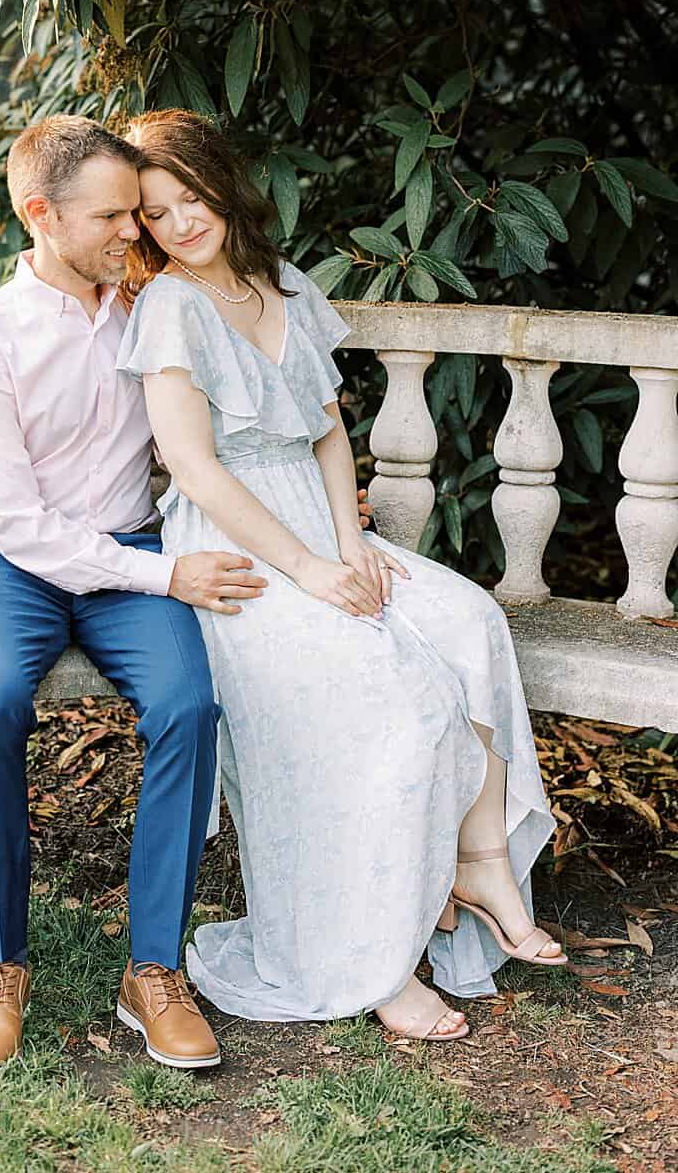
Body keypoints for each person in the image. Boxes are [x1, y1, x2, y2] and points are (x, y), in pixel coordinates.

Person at [116, 108, 561, 1042]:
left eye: (189, 197)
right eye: (156, 214)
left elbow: (324, 427)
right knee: (394, 696)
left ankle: (478, 862)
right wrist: (310, 568)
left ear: (221, 183)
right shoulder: (169, 306)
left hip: (321, 528)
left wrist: (350, 538)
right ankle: (375, 956)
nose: (181, 223)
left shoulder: (284, 282)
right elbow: (195, 468)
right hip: (238, 547)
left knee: (470, 620)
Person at [0, 116, 275, 1073]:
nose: (135, 230)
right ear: (40, 214)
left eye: (137, 212)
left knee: (187, 703)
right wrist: (168, 573)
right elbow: (21, 523)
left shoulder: (154, 310)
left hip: (130, 548)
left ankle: (153, 968)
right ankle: (2, 963)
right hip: (16, 563)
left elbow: (228, 417)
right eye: (114, 215)